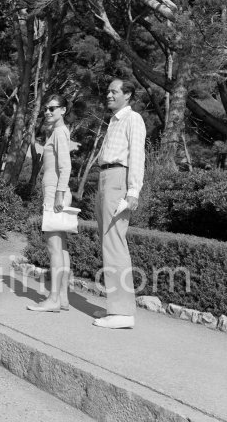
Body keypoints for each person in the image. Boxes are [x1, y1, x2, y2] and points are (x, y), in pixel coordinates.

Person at [93, 78, 146, 329]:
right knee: (109, 240)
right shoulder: (114, 121)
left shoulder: (132, 118)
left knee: (114, 242)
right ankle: (117, 309)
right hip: (106, 177)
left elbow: (137, 155)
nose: (109, 95)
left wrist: (133, 192)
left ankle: (122, 312)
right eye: (108, 91)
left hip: (118, 179)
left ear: (128, 95)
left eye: (114, 91)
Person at [27, 94, 72, 313]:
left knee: (54, 247)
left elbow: (66, 167)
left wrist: (58, 196)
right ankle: (62, 297)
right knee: (61, 247)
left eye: (52, 108)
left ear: (63, 110)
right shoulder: (58, 133)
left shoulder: (60, 133)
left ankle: (54, 299)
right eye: (46, 108)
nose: (47, 112)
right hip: (57, 193)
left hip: (55, 194)